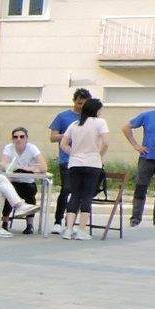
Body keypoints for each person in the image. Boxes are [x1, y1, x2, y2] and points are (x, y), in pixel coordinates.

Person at [60, 97, 110, 239]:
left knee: (75, 194)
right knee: (87, 195)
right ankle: (82, 230)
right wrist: (99, 155)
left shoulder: (75, 124)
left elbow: (63, 144)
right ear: (96, 109)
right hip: (92, 163)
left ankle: (69, 229)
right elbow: (106, 143)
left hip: (75, 163)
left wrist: (74, 153)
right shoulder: (100, 122)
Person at [123, 90, 155, 227]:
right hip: (147, 158)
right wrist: (135, 145)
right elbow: (126, 128)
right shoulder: (147, 116)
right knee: (141, 188)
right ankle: (135, 218)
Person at [50, 88, 89, 227]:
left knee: (78, 192)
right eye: (79, 103)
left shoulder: (90, 118)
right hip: (66, 159)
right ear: (74, 101)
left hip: (83, 160)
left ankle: (70, 222)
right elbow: (53, 137)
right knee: (66, 189)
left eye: (84, 104)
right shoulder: (63, 116)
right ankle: (57, 221)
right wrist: (68, 135)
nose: (81, 106)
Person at [0, 126, 46, 229]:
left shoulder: (32, 148)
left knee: (30, 194)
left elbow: (44, 167)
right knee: (8, 193)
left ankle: (29, 224)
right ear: (12, 139)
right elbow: (4, 164)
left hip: (27, 181)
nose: (19, 139)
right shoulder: (9, 148)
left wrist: (29, 169)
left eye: (22, 136)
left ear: (26, 138)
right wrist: (27, 167)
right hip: (12, 181)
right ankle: (5, 223)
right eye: (15, 137)